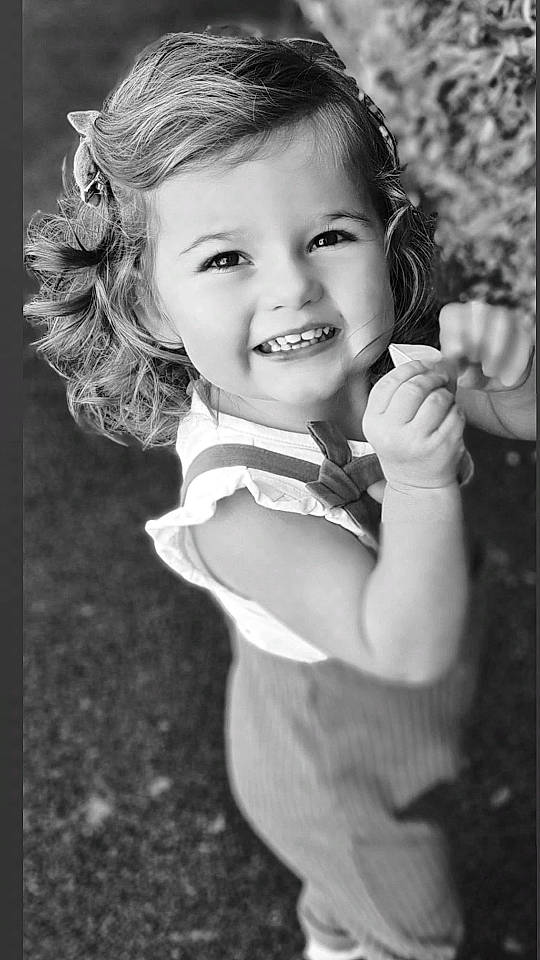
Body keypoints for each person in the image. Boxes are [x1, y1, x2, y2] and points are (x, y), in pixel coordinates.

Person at [24, 30, 535, 960]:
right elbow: (404, 647)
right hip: (336, 773)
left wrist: (513, 371)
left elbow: (520, 416)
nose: (295, 288)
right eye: (227, 260)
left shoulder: (364, 360)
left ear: (384, 235)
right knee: (415, 928)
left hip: (398, 736)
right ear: (147, 305)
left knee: (355, 907)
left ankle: (333, 933)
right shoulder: (242, 506)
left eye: (330, 236)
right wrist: (418, 478)